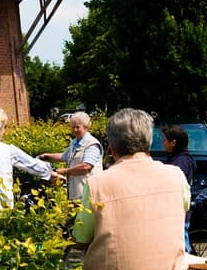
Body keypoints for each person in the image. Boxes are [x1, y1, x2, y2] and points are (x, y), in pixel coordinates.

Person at [72, 109, 189, 270]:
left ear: (112, 148)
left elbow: (80, 239)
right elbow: (183, 209)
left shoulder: (96, 184)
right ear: (149, 142)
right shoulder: (177, 176)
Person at [36, 111, 103, 201]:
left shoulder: (92, 144)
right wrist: (45, 156)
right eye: (73, 127)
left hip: (88, 194)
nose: (74, 130)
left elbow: (86, 167)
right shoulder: (75, 143)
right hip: (76, 194)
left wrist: (65, 171)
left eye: (77, 127)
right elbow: (64, 156)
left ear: (86, 127)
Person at [161, 125, 196, 253]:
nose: (162, 142)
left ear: (173, 143)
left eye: (165, 140)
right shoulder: (178, 159)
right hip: (178, 212)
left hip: (180, 212)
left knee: (183, 247)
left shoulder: (181, 162)